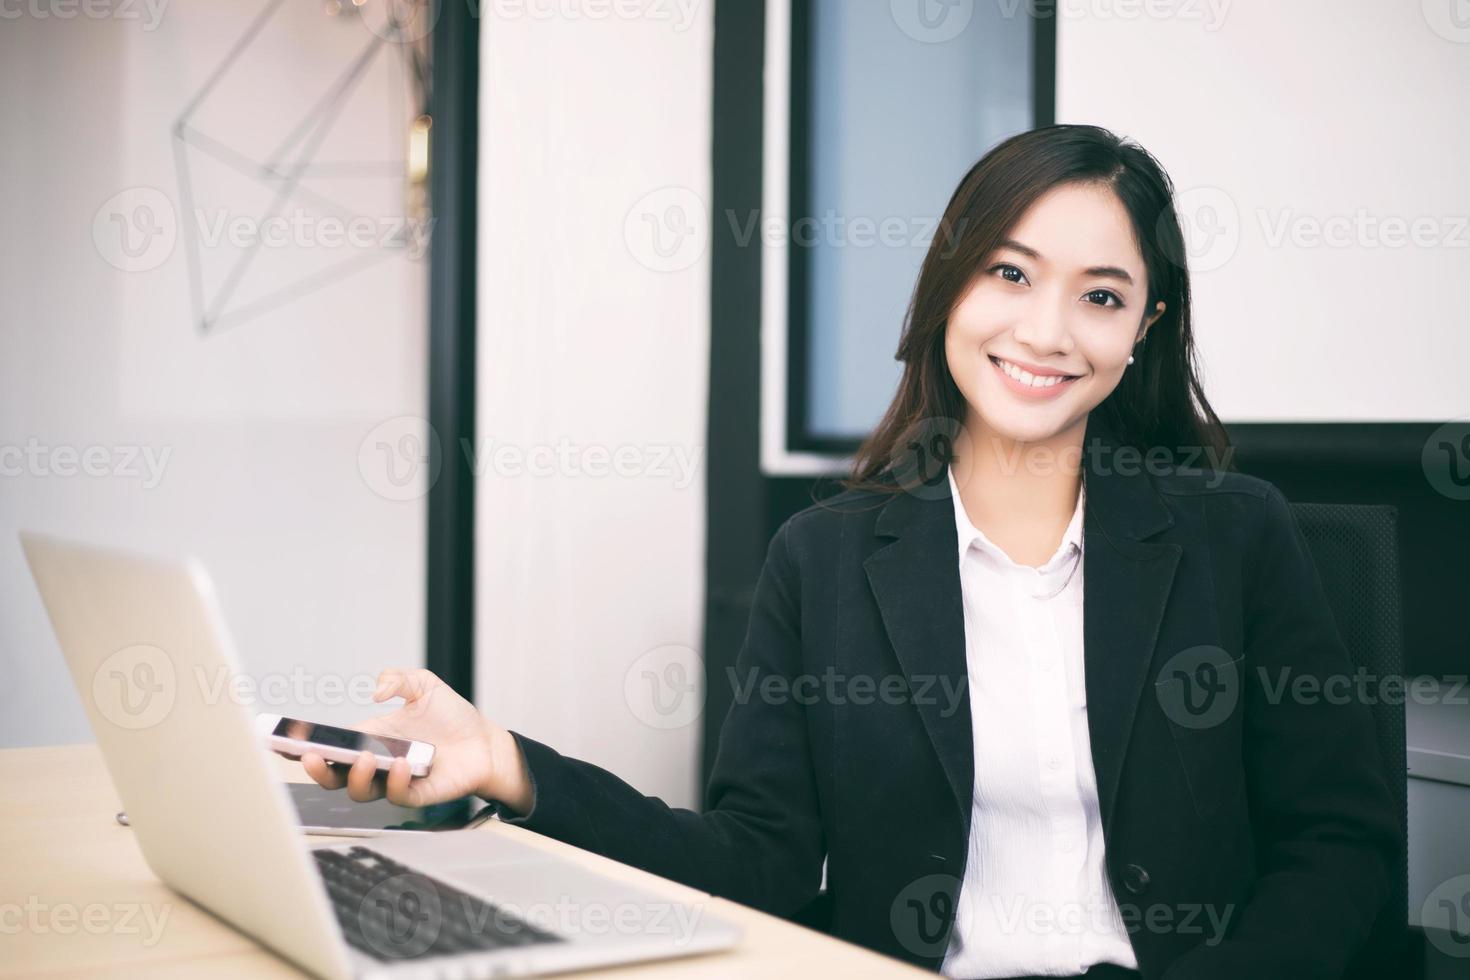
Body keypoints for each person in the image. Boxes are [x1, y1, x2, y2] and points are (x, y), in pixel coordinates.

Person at [298, 125, 1399, 979]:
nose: (1049, 330)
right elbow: (757, 860)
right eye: (1011, 274)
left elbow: (1340, 848)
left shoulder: (1233, 536)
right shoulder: (823, 561)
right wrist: (507, 760)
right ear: (951, 281)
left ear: (1143, 327)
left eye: (1100, 296)